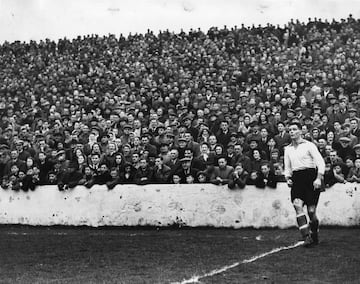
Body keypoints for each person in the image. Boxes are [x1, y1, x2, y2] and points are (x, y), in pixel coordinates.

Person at [284, 121, 325, 247]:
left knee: (311, 211)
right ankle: (306, 237)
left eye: (294, 129)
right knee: (297, 205)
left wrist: (318, 178)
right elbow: (287, 167)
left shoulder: (309, 145)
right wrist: (288, 178)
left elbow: (320, 162)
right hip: (297, 179)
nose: (291, 132)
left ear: (301, 131)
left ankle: (314, 233)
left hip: (310, 178)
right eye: (290, 130)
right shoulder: (288, 149)